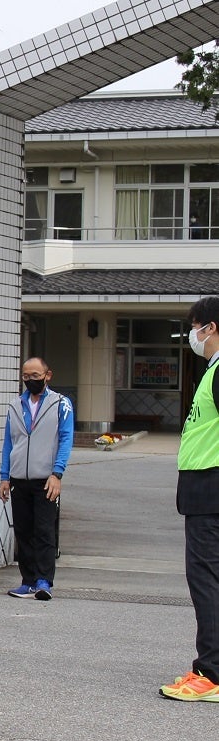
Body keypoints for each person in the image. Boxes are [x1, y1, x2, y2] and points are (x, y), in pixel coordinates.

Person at [160, 296, 219, 702]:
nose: (192, 337)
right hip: (203, 490)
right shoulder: (212, 371)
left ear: (210, 327)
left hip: (210, 490)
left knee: (206, 581)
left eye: (195, 328)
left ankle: (211, 672)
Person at [0, 356, 74, 601]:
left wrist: (57, 473)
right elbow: (9, 442)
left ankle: (43, 581)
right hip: (19, 477)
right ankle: (28, 581)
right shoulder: (14, 406)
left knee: (44, 531)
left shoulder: (61, 404)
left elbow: (65, 439)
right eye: (26, 376)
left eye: (35, 375)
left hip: (46, 478)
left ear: (47, 375)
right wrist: (4, 476)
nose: (30, 380)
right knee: (23, 531)